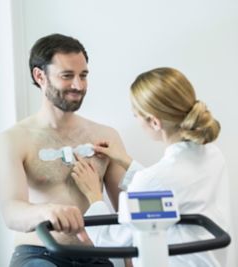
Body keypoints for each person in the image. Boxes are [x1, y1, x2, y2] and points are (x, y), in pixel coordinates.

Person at [71, 67, 232, 267]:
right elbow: (171, 188)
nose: (135, 120)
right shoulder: (213, 154)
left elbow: (113, 240)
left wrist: (94, 195)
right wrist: (125, 161)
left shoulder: (153, 180)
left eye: (135, 115)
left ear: (154, 123)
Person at [0, 33, 126, 267]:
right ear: (40, 76)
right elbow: (11, 211)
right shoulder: (14, 139)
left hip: (94, 256)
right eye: (67, 76)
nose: (78, 85)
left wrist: (132, 263)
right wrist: (47, 212)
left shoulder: (106, 137)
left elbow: (127, 213)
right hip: (39, 253)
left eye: (83, 75)